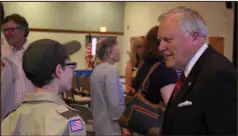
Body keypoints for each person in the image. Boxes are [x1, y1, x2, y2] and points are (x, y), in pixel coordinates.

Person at [158, 6, 237, 135]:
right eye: (160, 40)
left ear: (194, 37)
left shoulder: (217, 75)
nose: (161, 47)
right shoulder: (193, 71)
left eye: (168, 40)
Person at [1, 38, 86, 135]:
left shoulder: (11, 119)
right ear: (59, 71)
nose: (72, 70)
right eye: (71, 65)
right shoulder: (70, 123)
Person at [90, 38, 130, 136]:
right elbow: (114, 102)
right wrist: (123, 124)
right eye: (117, 50)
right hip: (111, 126)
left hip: (99, 122)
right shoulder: (111, 70)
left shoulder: (96, 70)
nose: (119, 52)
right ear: (109, 53)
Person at [1, 13, 35, 120]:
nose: (7, 33)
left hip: (30, 114)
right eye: (4, 30)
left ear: (23, 30)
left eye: (11, 29)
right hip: (6, 113)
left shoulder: (35, 53)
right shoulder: (3, 54)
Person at [132, 25, 177, 106]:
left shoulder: (144, 66)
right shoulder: (165, 70)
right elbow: (172, 108)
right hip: (157, 117)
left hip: (141, 116)